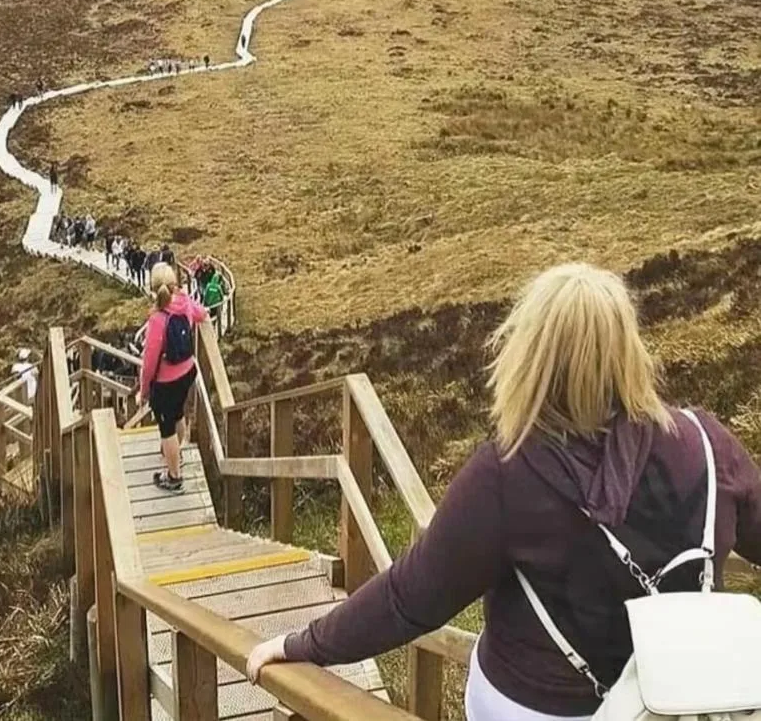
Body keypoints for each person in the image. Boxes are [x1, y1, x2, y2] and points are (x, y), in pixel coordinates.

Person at [245, 263, 761, 720]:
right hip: (679, 701)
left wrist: (302, 644)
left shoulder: (508, 472)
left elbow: (410, 598)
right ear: (631, 349)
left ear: (526, 354)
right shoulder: (708, 443)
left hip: (536, 706)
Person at [136, 263, 208, 493]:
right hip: (187, 372)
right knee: (178, 413)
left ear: (153, 289)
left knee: (166, 427)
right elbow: (203, 313)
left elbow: (149, 362)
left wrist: (144, 389)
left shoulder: (158, 319)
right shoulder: (184, 303)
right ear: (174, 284)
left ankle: (174, 477)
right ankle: (178, 455)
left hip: (166, 381)